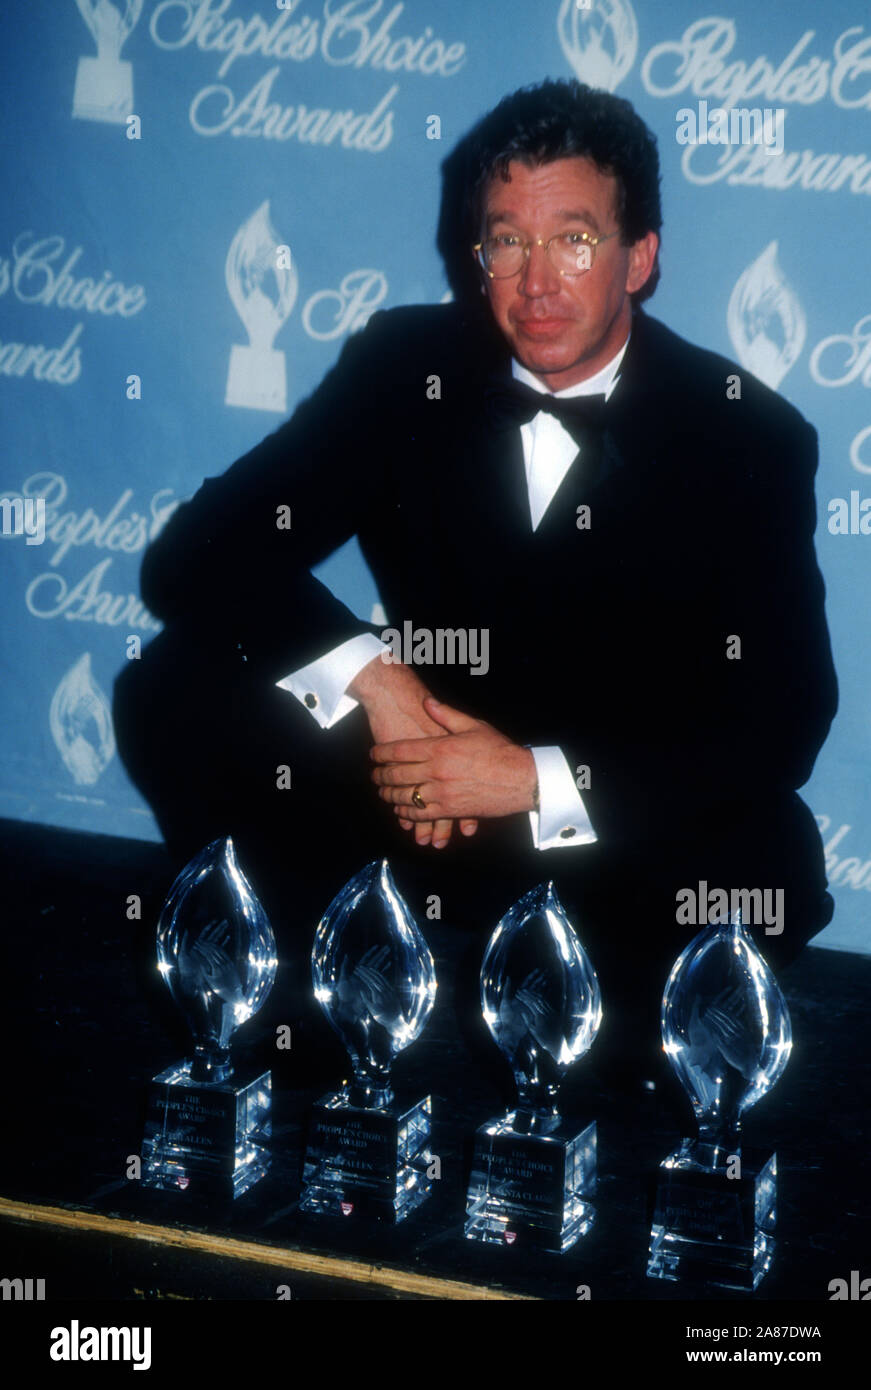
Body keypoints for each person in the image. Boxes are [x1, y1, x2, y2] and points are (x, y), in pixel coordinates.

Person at [114, 79, 837, 1085]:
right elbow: (201, 552)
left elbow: (785, 718)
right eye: (506, 242)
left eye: (573, 240)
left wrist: (531, 777)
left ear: (641, 255)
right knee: (177, 684)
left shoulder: (745, 433)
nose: (535, 283)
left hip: (603, 828)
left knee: (766, 860)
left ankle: (583, 1038)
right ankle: (318, 997)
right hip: (413, 789)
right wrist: (382, 688)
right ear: (476, 254)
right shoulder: (405, 363)